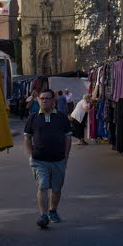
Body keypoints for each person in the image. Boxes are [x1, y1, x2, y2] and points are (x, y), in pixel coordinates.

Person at [24, 88, 72, 228]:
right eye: (42, 98)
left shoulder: (62, 117)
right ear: (38, 100)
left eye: (47, 98)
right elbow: (27, 137)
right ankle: (43, 215)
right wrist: (31, 154)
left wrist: (66, 156)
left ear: (53, 101)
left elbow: (68, 137)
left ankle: (52, 211)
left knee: (56, 188)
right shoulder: (33, 117)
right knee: (43, 185)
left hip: (58, 160)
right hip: (39, 160)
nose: (44, 101)